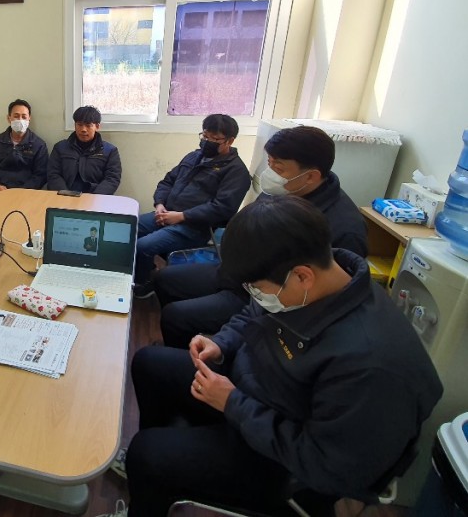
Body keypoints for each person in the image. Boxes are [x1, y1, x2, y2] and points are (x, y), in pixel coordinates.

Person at [116, 196, 441, 517]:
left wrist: (232, 403)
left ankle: (157, 471)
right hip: (256, 396)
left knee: (146, 454)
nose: (255, 295)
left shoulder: (370, 365)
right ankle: (165, 472)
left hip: (285, 466)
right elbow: (253, 312)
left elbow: (325, 466)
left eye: (256, 287)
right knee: (149, 364)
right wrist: (221, 342)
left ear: (303, 276)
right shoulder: (313, 283)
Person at [156, 125, 368, 347]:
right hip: (237, 273)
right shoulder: (284, 189)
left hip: (264, 296)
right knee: (165, 279)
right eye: (270, 163)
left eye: (279, 167)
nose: (270, 173)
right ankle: (189, 346)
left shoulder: (344, 228)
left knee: (176, 316)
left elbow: (323, 301)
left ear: (310, 176)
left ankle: (197, 358)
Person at [133, 114, 250, 293]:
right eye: (205, 136)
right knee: (127, 228)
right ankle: (144, 270)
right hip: (166, 213)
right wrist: (160, 204)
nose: (207, 142)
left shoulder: (236, 172)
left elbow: (222, 208)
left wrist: (182, 216)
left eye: (214, 139)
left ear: (230, 141)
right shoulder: (194, 156)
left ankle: (144, 285)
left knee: (142, 246)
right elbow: (167, 181)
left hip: (194, 227)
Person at [47, 105, 121, 195]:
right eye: (79, 125)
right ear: (75, 125)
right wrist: (65, 194)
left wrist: (95, 197)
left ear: (97, 126)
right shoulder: (60, 147)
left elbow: (112, 179)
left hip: (96, 198)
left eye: (88, 125)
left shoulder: (110, 151)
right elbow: (53, 174)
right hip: (64, 196)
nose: (83, 129)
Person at [0, 98, 48, 195]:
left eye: (24, 117)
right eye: (16, 116)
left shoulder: (39, 145)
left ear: (29, 118)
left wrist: (22, 191)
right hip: (0, 194)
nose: (20, 120)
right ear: (9, 118)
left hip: (27, 194)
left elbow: (41, 175)